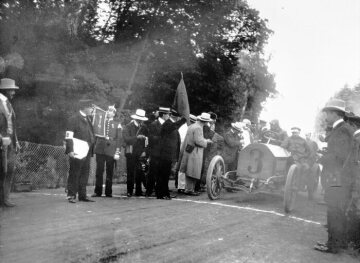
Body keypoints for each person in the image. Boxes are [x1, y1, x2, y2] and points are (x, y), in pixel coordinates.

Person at [314, 99, 355, 253]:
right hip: (340, 178)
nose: (326, 116)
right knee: (339, 211)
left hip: (337, 178)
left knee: (334, 211)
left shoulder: (342, 130)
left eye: (328, 113)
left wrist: (321, 158)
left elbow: (339, 156)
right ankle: (340, 242)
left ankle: (333, 245)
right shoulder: (344, 129)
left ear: (335, 114)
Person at [65, 99, 96, 203]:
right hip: (77, 150)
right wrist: (70, 150)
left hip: (87, 150)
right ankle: (71, 195)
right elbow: (69, 135)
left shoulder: (88, 119)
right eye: (91, 107)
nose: (92, 109)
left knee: (85, 173)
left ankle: (82, 195)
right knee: (75, 172)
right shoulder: (73, 119)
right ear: (85, 107)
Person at [92, 105, 123, 198]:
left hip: (111, 149)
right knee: (99, 171)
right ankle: (98, 191)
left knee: (110, 171)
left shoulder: (117, 124)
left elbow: (119, 139)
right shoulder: (101, 122)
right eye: (108, 110)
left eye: (111, 111)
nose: (109, 112)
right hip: (100, 148)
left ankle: (108, 192)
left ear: (114, 113)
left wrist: (117, 151)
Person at [179, 112, 212, 195]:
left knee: (189, 170)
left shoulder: (192, 126)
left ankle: (188, 188)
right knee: (192, 171)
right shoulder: (198, 128)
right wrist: (206, 141)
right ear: (205, 121)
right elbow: (198, 141)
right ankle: (190, 189)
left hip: (189, 150)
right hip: (195, 151)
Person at [0, 78, 20, 207]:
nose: (13, 92)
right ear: (5, 90)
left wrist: (16, 141)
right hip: (1, 145)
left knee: (10, 170)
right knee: (2, 171)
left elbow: (12, 124)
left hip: (10, 145)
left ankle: (5, 199)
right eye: (11, 90)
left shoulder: (8, 103)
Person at [158, 110, 186, 199]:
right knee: (163, 175)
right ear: (177, 117)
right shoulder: (168, 124)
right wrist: (183, 120)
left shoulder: (169, 124)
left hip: (168, 154)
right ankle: (162, 194)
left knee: (165, 174)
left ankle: (165, 193)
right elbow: (174, 127)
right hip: (164, 154)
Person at [122, 109, 149, 197]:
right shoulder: (128, 127)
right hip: (130, 152)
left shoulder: (144, 128)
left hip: (140, 152)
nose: (141, 121)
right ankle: (129, 190)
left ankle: (138, 190)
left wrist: (145, 151)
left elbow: (147, 140)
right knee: (130, 172)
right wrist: (137, 137)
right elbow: (126, 139)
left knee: (140, 172)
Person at [147, 107, 170, 197]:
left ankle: (160, 191)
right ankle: (149, 191)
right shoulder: (154, 124)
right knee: (152, 172)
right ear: (163, 115)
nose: (168, 116)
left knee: (162, 173)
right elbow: (151, 138)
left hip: (164, 153)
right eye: (168, 114)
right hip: (155, 152)